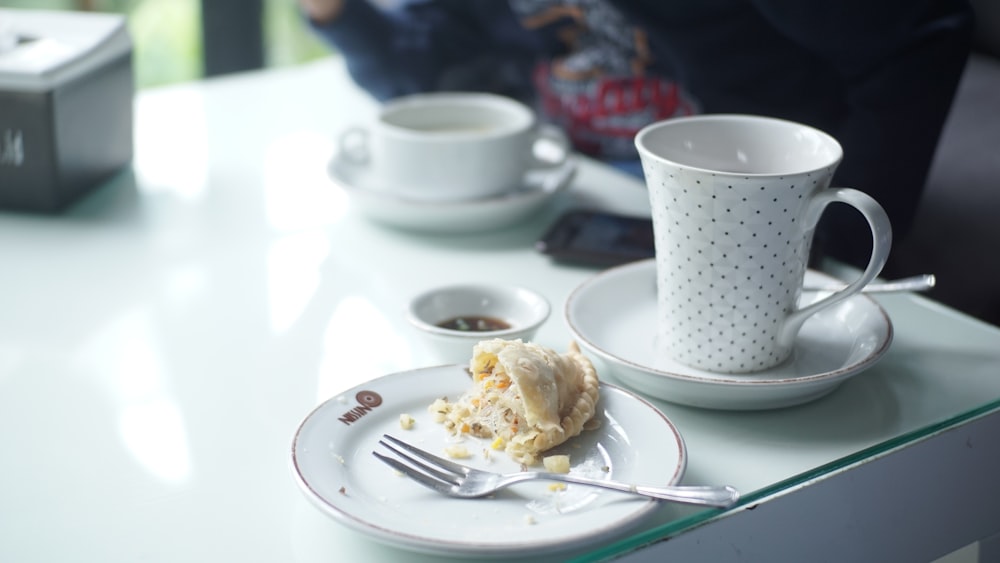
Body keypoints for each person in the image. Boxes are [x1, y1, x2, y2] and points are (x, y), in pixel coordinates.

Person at [299, 0, 973, 268]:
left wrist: (827, 239)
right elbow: (427, 84)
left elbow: (922, 38)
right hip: (584, 210)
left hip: (744, 224)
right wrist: (337, 14)